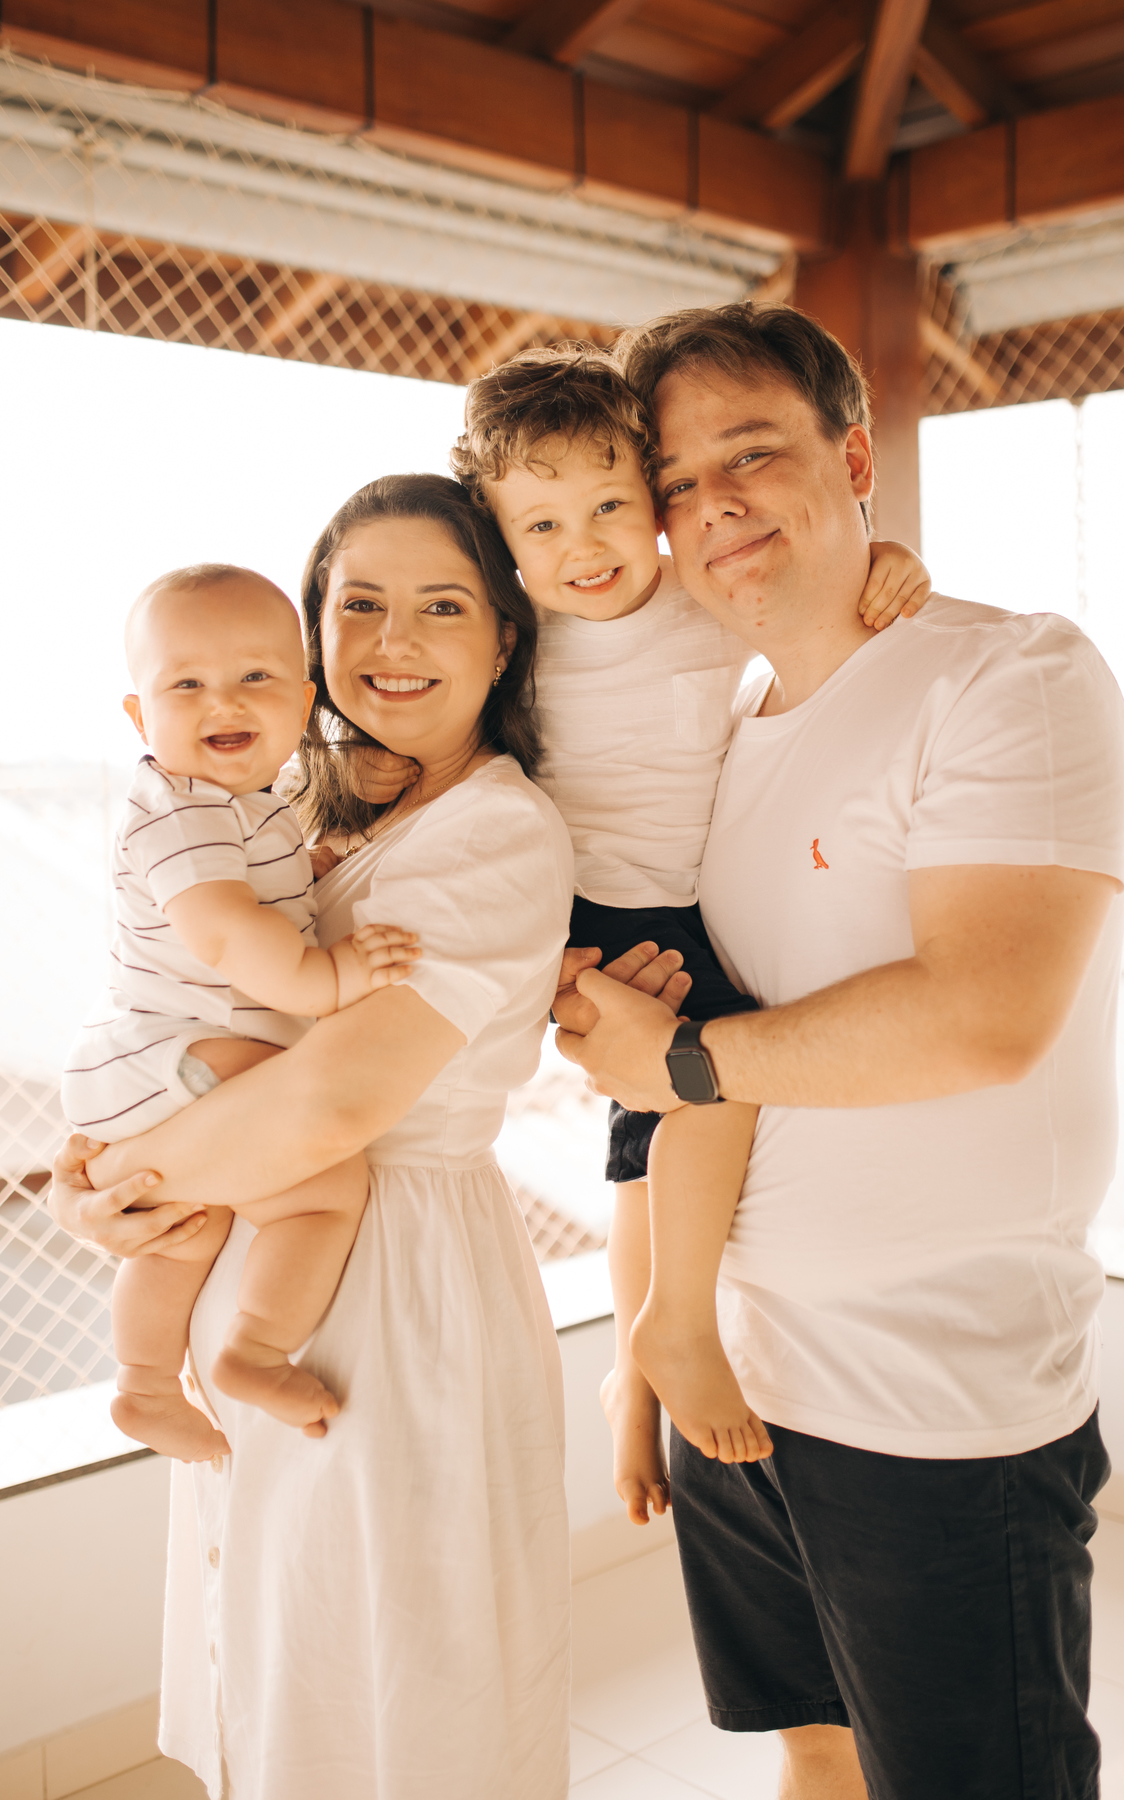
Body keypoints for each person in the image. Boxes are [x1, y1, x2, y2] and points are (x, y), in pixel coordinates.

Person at [554, 303, 1124, 1800]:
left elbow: (985, 1014)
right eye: (675, 483)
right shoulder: (716, 722)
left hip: (933, 1406)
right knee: (811, 1750)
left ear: (857, 457)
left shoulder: (1007, 675)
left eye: (753, 453)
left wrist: (685, 1061)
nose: (714, 503)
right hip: (736, 1375)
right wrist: (647, 1347)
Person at [48, 473, 592, 1800]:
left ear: (505, 637)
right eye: (359, 604)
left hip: (394, 1284)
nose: (393, 640)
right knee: (292, 1674)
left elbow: (331, 1107)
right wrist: (95, 1197)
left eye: (442, 605)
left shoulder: (494, 831)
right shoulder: (303, 812)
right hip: (260, 1244)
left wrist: (114, 1177)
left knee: (396, 1694)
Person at [449, 347, 931, 1518]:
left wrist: (889, 562)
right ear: (501, 543)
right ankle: (674, 1324)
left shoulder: (700, 604)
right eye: (543, 525)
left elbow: (809, 603)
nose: (585, 546)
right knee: (711, 1085)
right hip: (590, 918)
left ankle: (634, 1387)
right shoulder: (518, 640)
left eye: (611, 506)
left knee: (643, 1151)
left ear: (653, 503)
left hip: (692, 902)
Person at [61, 566, 418, 1460]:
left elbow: (262, 891)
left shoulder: (239, 805)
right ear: (141, 718)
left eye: (254, 676)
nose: (222, 700)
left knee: (187, 1229)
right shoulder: (180, 812)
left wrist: (315, 873)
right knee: (324, 1189)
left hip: (158, 1063)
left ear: (301, 703)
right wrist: (329, 977)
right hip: (176, 1048)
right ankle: (254, 1349)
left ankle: (145, 1385)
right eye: (186, 684)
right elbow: (225, 932)